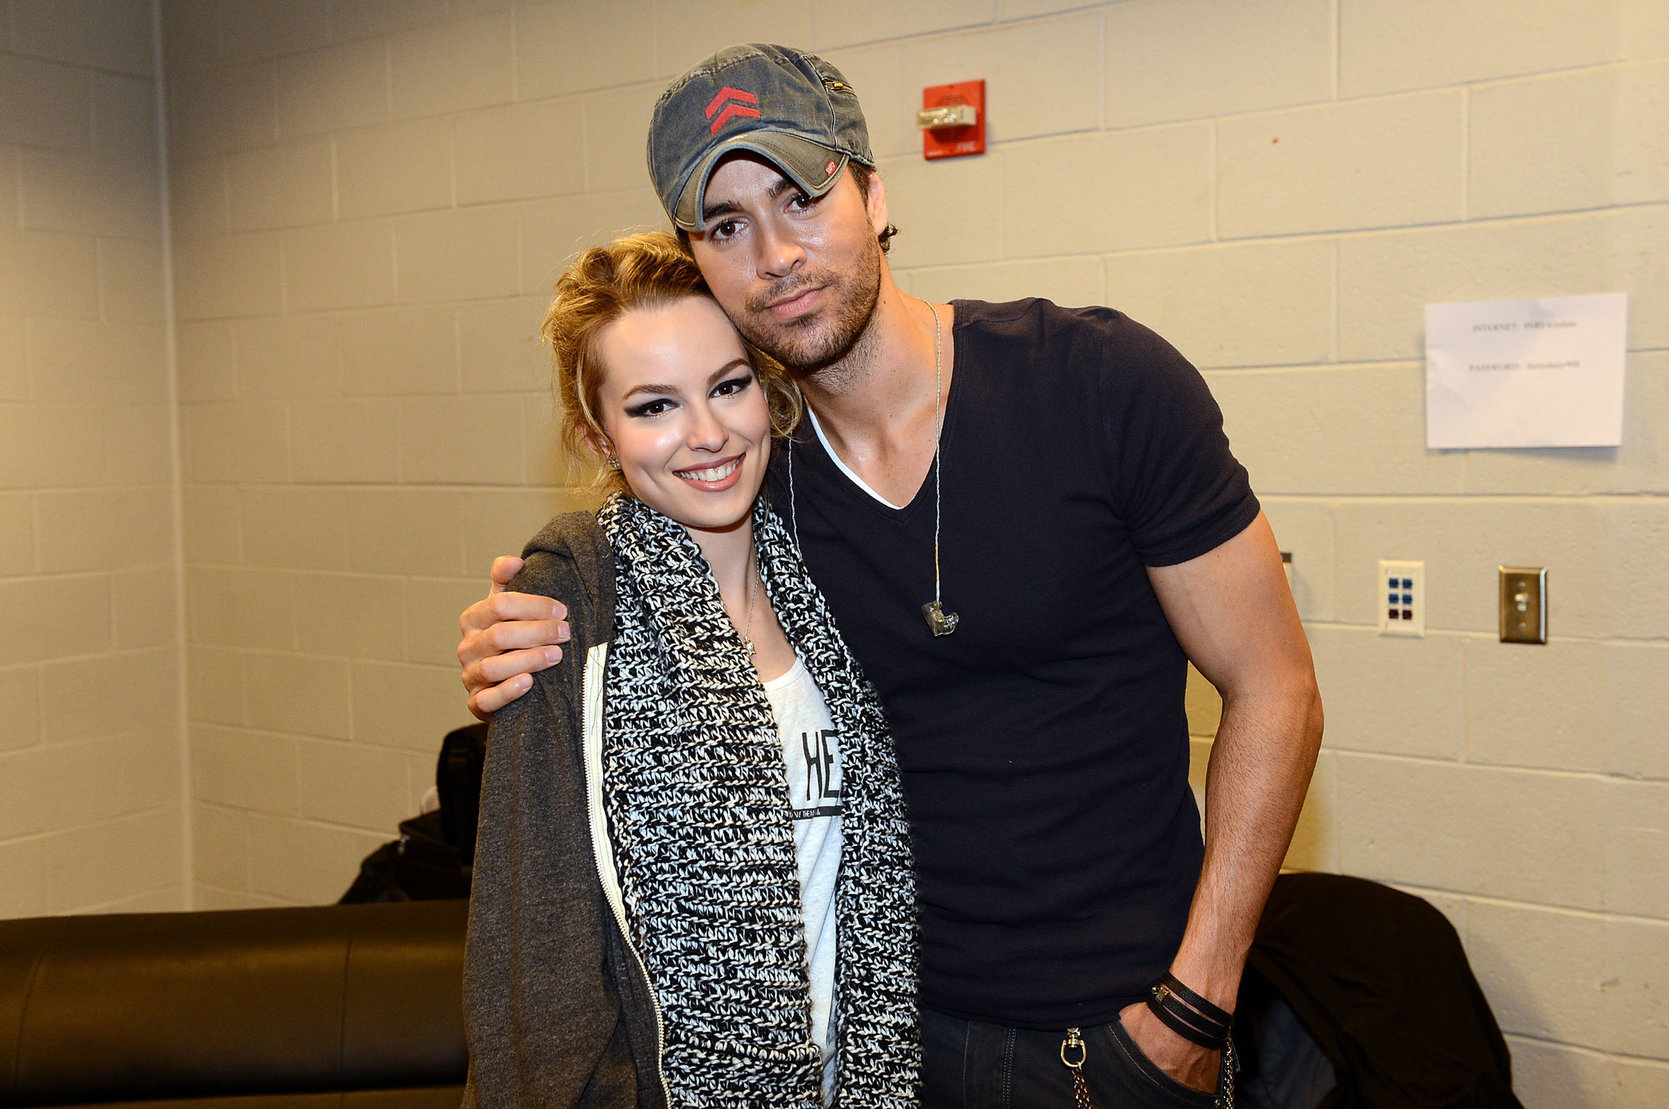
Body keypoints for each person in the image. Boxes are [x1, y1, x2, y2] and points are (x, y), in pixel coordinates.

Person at [460, 44, 1323, 1108]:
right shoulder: (753, 488)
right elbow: (621, 578)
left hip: (1124, 1031)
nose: (774, 253)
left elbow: (1276, 686)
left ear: (872, 191)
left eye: (800, 196)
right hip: (891, 1047)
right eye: (725, 225)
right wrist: (527, 630)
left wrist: (1194, 1005)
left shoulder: (1099, 384)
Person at [460, 231, 920, 1107]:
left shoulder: (831, 577)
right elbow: (532, 955)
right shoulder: (572, 607)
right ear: (597, 436)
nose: (706, 435)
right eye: (653, 406)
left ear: (765, 389)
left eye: (727, 386)